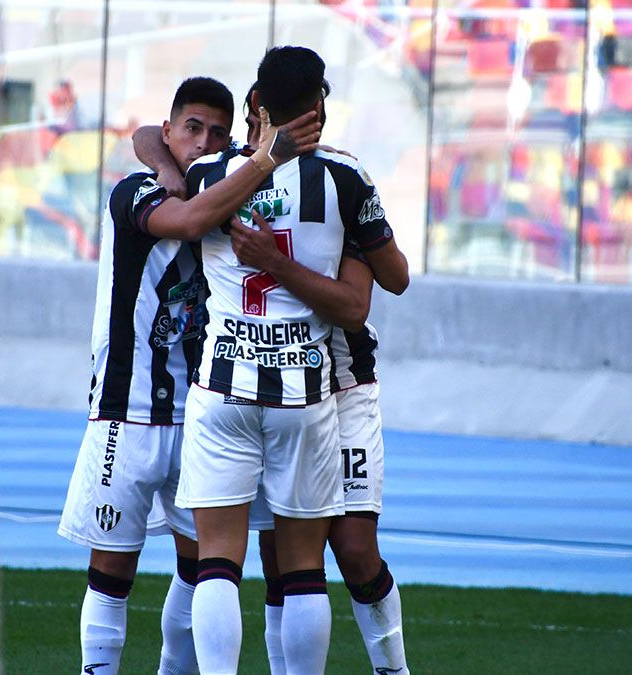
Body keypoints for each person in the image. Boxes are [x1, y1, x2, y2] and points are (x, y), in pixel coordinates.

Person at [57, 76, 320, 675]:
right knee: (111, 570)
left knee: (202, 567)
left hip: (201, 411)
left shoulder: (228, 184)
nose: (203, 141)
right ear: (171, 129)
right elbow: (185, 216)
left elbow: (187, 152)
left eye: (217, 133)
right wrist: (170, 161)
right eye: (192, 128)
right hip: (125, 412)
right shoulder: (135, 191)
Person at [171, 45, 393, 674]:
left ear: (257, 104)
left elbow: (178, 196)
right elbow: (381, 284)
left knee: (217, 561)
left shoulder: (209, 175)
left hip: (223, 385)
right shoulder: (345, 178)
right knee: (301, 569)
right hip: (304, 394)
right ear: (317, 105)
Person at [231, 84, 411, 675]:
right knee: (277, 557)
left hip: (343, 386)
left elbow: (388, 283)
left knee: (355, 551)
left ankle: (393, 669)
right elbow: (151, 141)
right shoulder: (230, 176)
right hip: (266, 384)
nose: (252, 133)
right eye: (251, 121)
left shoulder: (341, 179)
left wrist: (360, 220)